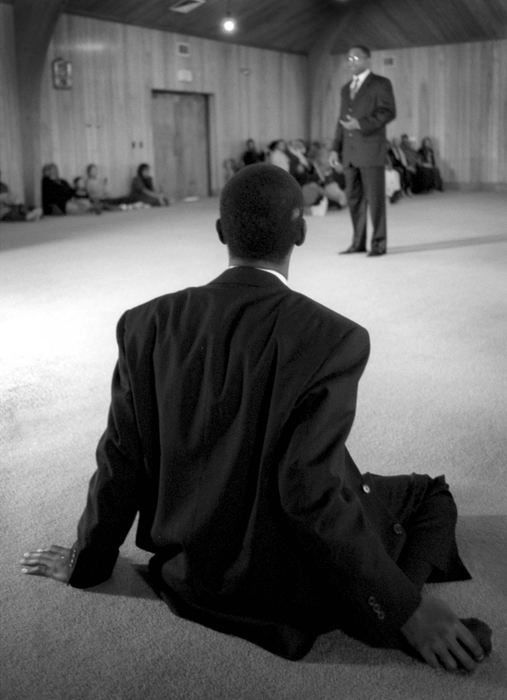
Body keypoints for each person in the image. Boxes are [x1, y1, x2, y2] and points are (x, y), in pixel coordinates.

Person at [20, 164, 491, 671]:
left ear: (221, 232)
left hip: (189, 574)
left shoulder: (146, 322)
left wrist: (88, 562)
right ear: (302, 230)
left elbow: (120, 458)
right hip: (284, 591)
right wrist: (405, 606)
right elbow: (307, 494)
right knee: (429, 494)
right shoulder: (335, 337)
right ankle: (385, 606)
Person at [330, 45, 396, 256]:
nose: (352, 62)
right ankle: (358, 242)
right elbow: (341, 121)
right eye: (348, 59)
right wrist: (335, 149)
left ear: (368, 60)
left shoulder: (381, 83)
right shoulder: (345, 88)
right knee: (354, 199)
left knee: (375, 200)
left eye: (356, 58)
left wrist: (361, 123)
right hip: (349, 153)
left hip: (370, 150)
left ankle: (378, 243)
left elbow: (388, 112)